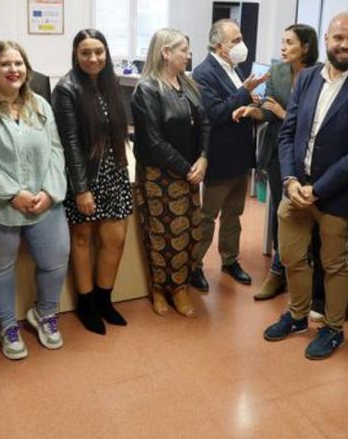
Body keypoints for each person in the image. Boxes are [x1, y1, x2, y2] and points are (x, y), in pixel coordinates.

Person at [262, 12, 348, 360]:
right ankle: (298, 315)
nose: (345, 45)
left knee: (334, 265)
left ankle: (332, 328)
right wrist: (289, 180)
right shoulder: (307, 78)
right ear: (327, 40)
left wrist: (317, 191)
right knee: (291, 256)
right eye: (338, 38)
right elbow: (288, 133)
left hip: (335, 196)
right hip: (295, 187)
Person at [0, 41, 69, 360]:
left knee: (55, 259)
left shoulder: (41, 106)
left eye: (19, 63)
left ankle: (45, 313)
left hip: (45, 202)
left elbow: (57, 151)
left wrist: (50, 191)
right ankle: (7, 325)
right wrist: (11, 194)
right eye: (5, 64)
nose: (14, 69)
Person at [52, 29, 133, 335]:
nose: (93, 58)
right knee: (83, 240)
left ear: (106, 53)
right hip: (84, 175)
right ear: (76, 55)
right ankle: (86, 304)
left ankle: (104, 299)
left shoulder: (110, 83)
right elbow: (70, 143)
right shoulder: (67, 89)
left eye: (98, 51)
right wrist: (81, 189)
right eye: (85, 52)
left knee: (115, 239)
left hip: (114, 172)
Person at [130, 28, 210, 318]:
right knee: (162, 234)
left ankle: (179, 285)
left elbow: (204, 125)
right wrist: (188, 167)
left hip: (190, 172)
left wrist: (203, 158)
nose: (188, 55)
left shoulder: (188, 85)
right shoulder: (147, 90)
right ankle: (161, 289)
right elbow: (153, 140)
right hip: (160, 175)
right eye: (183, 50)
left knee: (189, 231)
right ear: (165, 53)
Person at [187, 19, 268, 292]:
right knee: (207, 217)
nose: (240, 45)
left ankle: (229, 260)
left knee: (234, 214)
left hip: (241, 157)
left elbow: (236, 102)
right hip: (219, 158)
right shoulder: (203, 73)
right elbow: (216, 114)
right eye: (235, 41)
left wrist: (250, 101)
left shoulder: (235, 67)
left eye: (240, 38)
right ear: (218, 45)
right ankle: (194, 266)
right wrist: (245, 92)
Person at [238, 24, 318, 300]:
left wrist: (283, 113)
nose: (283, 47)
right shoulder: (279, 70)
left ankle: (299, 269)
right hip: (278, 150)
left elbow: (313, 120)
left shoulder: (319, 75)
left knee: (304, 213)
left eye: (289, 42)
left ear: (306, 47)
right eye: (282, 41)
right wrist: (254, 111)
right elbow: (268, 110)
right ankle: (278, 272)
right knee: (278, 211)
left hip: (308, 154)